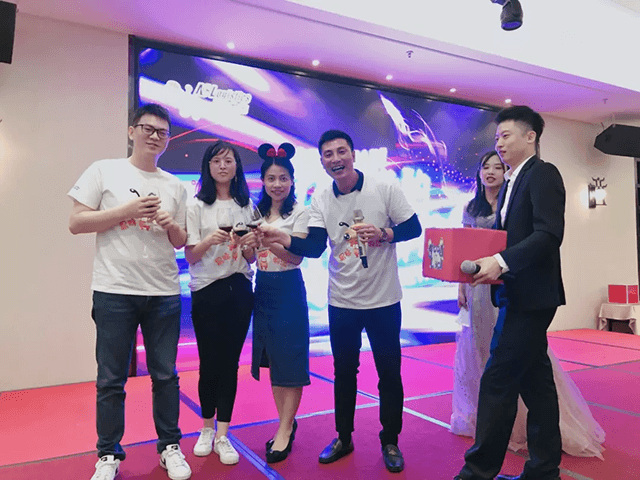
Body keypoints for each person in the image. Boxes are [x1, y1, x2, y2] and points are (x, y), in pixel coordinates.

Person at [260, 130, 422, 473]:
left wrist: (385, 234)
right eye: (328, 154)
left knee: (389, 372)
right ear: (322, 161)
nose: (336, 159)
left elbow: (414, 227)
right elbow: (314, 247)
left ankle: (390, 441)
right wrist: (280, 237)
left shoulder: (384, 187)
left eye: (341, 151)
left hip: (383, 300)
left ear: (353, 154)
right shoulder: (321, 199)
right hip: (342, 301)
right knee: (344, 372)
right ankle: (343, 437)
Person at [452, 151, 605, 460]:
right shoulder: (472, 207)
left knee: (506, 369)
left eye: (498, 166)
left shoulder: (532, 182)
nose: (492, 171)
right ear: (479, 173)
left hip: (513, 285)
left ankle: (485, 463)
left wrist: (501, 264)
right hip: (481, 288)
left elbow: (546, 236)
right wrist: (461, 284)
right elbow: (464, 248)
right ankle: (541, 464)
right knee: (498, 358)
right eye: (486, 167)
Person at [68, 103, 192, 480]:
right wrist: (128, 210)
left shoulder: (175, 186)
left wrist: (170, 224)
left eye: (162, 132)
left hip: (163, 292)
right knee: (110, 378)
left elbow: (181, 241)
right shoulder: (104, 170)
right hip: (114, 290)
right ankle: (108, 454)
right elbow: (76, 222)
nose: (154, 136)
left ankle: (170, 446)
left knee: (165, 375)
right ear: (131, 131)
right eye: (147, 129)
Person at [455, 106, 567, 480]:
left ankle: (477, 472)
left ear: (530, 136)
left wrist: (501, 262)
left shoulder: (543, 173)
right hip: (514, 294)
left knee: (498, 379)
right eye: (497, 137)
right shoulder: (511, 182)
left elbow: (548, 234)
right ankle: (544, 470)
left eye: (506, 135)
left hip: (532, 297)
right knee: (537, 385)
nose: (499, 143)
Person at [185, 141, 256, 465]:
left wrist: (248, 245)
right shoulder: (196, 205)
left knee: (230, 363)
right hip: (207, 289)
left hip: (239, 288)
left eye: (229, 160)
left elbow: (251, 257)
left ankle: (224, 434)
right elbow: (190, 255)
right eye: (217, 161)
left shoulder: (246, 205)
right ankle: (206, 428)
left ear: (236, 166)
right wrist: (208, 241)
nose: (223, 166)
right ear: (208, 167)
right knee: (209, 362)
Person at [239, 142, 310, 464]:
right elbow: (251, 259)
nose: (277, 184)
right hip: (263, 288)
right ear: (263, 181)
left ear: (292, 181)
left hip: (289, 289)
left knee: (290, 359)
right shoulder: (254, 214)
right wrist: (248, 245)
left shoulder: (300, 213)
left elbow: (296, 257)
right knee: (274, 360)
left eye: (283, 178)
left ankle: (284, 428)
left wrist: (271, 241)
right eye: (271, 178)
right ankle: (286, 423)